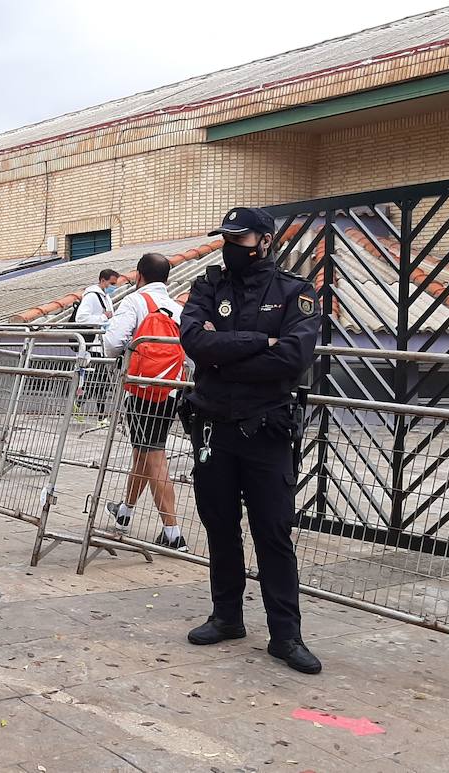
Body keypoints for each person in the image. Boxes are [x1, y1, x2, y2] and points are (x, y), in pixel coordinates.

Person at [179, 206, 321, 675]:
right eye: (226, 238)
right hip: (213, 427)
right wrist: (262, 341)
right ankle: (226, 617)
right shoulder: (208, 286)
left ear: (264, 240)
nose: (229, 247)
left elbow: (293, 358)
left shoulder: (295, 292)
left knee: (272, 533)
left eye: (238, 239)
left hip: (266, 430)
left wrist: (225, 352)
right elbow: (195, 343)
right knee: (219, 526)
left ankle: (286, 635)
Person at [102, 253, 188, 552]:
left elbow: (112, 344)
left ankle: (173, 533)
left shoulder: (134, 302)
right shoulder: (177, 308)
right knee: (143, 451)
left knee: (154, 454)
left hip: (141, 390)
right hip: (170, 390)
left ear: (139, 275)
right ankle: (125, 511)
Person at [75, 269, 120, 425]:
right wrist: (103, 317)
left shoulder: (106, 297)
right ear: (102, 281)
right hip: (94, 347)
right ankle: (100, 416)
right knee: (100, 383)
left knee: (98, 383)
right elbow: (81, 318)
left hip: (102, 346)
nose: (113, 287)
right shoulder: (92, 296)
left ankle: (79, 404)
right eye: (111, 283)